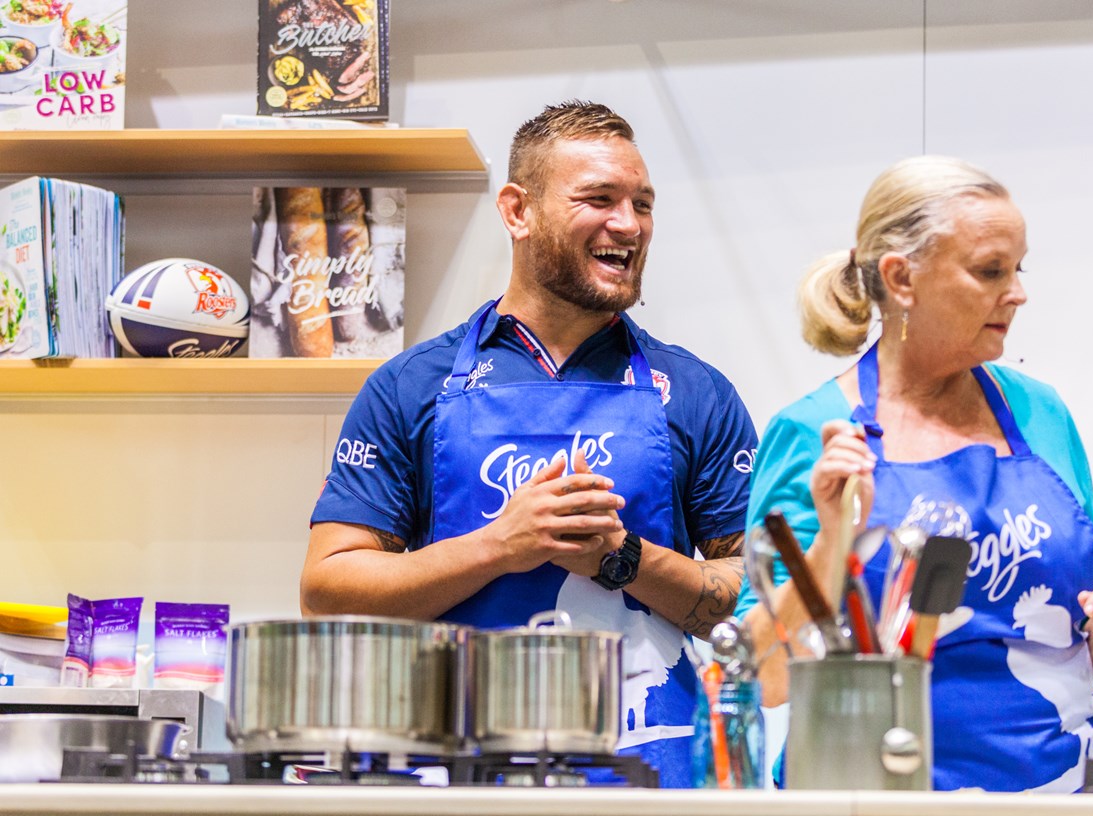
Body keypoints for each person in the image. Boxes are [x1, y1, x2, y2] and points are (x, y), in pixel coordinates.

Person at [301, 100, 758, 788]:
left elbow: (758, 601)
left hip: (648, 779)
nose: (629, 224)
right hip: (453, 781)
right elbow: (327, 591)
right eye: (599, 199)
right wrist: (500, 545)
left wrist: (624, 559)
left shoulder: (697, 393)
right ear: (517, 211)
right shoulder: (410, 385)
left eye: (642, 204)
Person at [735, 155, 1093, 792]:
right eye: (990, 271)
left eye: (1018, 269)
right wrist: (829, 542)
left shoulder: (1039, 411)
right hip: (885, 799)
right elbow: (761, 678)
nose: (1017, 293)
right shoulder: (814, 432)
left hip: (1076, 795)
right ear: (901, 278)